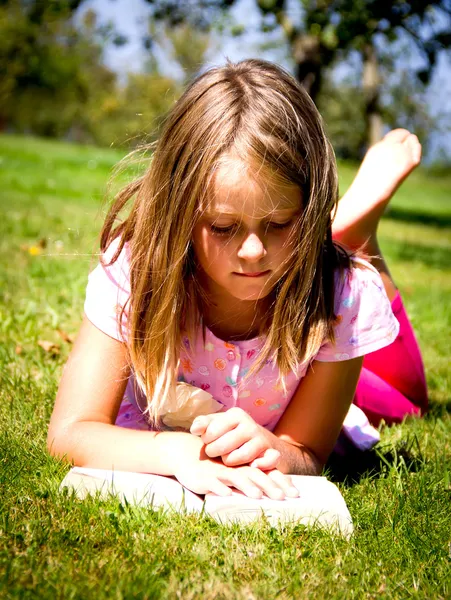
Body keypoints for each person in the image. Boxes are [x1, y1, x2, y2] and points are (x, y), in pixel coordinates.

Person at [47, 59, 428, 502]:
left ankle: (349, 239)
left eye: (280, 222)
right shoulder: (138, 273)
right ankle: (334, 234)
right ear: (180, 213)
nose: (253, 252)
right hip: (297, 330)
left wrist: (280, 451)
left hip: (308, 314)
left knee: (406, 405)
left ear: (309, 201)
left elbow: (306, 451)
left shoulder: (340, 296)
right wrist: (177, 452)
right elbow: (70, 431)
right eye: (224, 227)